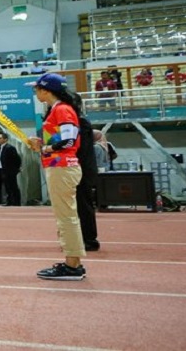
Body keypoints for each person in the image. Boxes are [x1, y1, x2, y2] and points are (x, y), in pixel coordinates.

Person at [27, 73, 86, 280]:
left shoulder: (61, 109)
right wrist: (43, 146)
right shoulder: (58, 109)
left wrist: (44, 147)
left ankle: (72, 266)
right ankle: (72, 262)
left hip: (62, 167)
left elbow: (69, 142)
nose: (35, 92)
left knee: (66, 217)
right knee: (66, 216)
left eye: (37, 88)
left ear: (46, 90)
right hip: (59, 166)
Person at [73, 93, 100, 252]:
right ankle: (81, 237)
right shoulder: (77, 121)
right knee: (78, 206)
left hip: (81, 169)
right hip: (78, 168)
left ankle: (89, 239)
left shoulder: (81, 122)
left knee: (84, 205)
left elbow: (79, 150)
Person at [0, 133, 22, 206]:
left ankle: (16, 202)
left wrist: (16, 169)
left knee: (13, 186)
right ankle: (10, 201)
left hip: (9, 171)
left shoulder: (9, 147)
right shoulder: (2, 147)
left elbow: (17, 159)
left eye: (0, 138)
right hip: (3, 170)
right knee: (7, 186)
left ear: (5, 139)